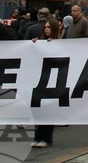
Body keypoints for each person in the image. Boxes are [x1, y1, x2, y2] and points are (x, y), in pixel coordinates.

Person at [29, 18, 62, 148]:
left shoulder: (60, 43)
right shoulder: (41, 42)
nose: (46, 29)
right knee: (39, 111)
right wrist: (33, 45)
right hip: (40, 80)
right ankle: (38, 136)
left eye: (49, 27)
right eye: (45, 27)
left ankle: (47, 138)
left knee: (48, 110)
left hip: (53, 80)